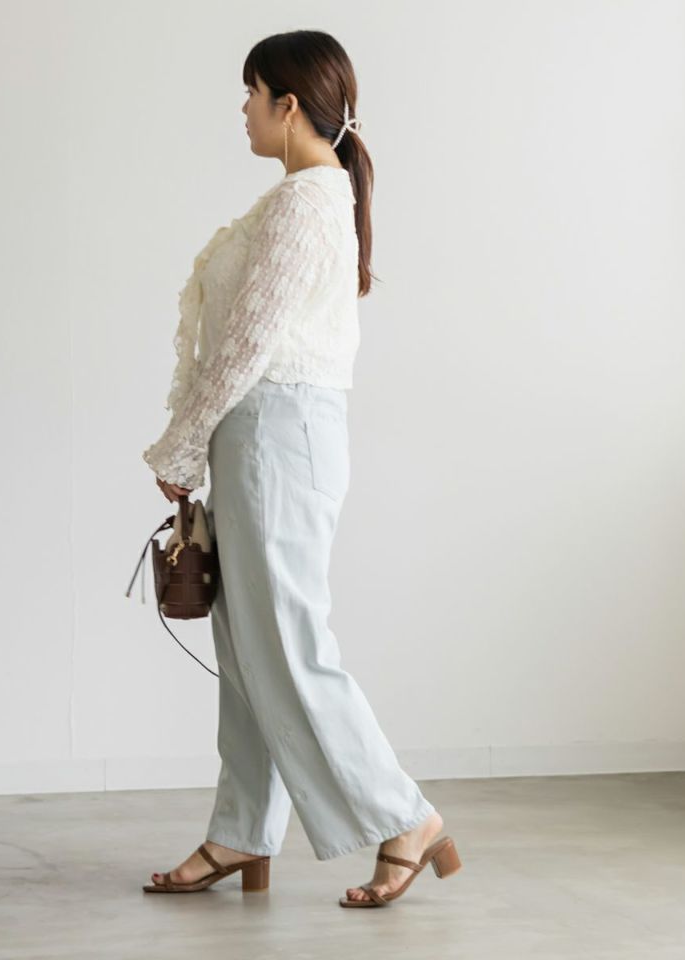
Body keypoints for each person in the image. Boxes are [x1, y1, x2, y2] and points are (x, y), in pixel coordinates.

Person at [140, 30, 460, 908]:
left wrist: (180, 443)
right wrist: (199, 439)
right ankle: (242, 830)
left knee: (288, 644)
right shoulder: (304, 198)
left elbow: (248, 340)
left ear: (288, 105)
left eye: (251, 92)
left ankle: (405, 816)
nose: (242, 109)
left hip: (277, 432)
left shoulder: (305, 202)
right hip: (262, 434)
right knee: (249, 647)